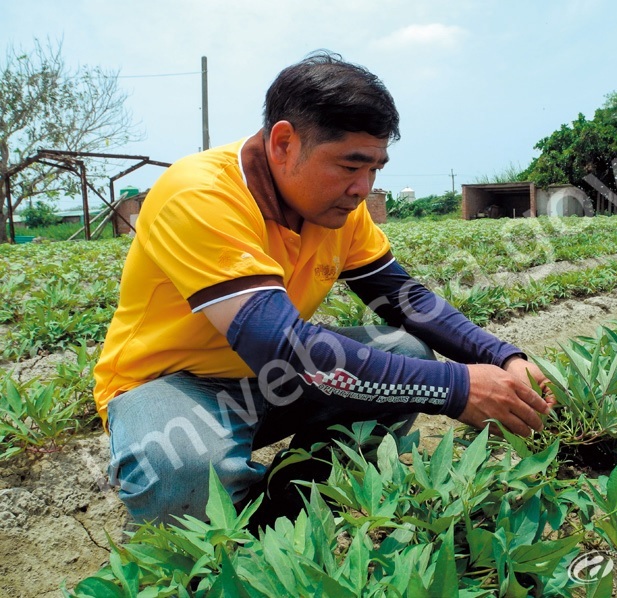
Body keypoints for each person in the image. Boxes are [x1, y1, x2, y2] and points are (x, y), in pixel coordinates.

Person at [93, 51, 554, 528]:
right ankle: (197, 543)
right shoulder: (200, 193)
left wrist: (503, 357)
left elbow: (404, 300)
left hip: (264, 380)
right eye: (350, 165)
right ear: (284, 142)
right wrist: (458, 388)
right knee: (184, 467)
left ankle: (281, 519)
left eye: (375, 168)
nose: (363, 187)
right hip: (171, 387)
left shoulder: (340, 211)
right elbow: (285, 346)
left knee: (410, 353)